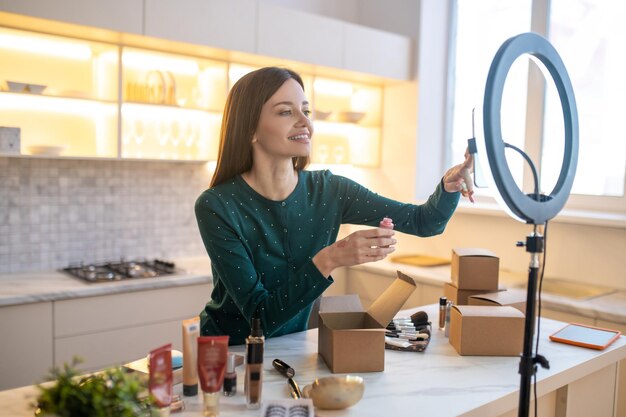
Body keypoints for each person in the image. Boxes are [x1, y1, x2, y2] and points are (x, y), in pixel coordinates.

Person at [195, 66, 474, 345]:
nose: (305, 122)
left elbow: (424, 222)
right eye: (285, 111)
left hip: (292, 345)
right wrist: (331, 259)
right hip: (227, 356)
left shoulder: (331, 190)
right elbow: (260, 318)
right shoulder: (217, 206)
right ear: (250, 129)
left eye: (306, 110)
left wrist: (448, 188)